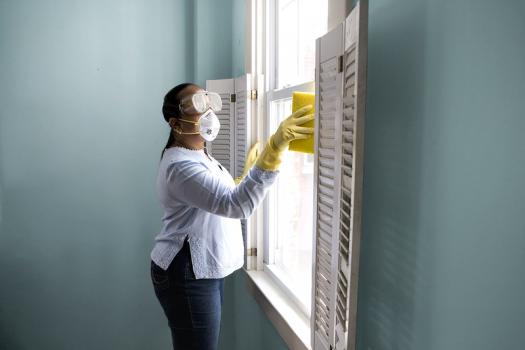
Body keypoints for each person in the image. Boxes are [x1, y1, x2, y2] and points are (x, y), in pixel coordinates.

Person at [150, 82, 314, 350]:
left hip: (198, 268)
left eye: (208, 101)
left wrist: (244, 178)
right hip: (185, 271)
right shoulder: (180, 166)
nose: (208, 112)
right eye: (196, 106)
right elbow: (236, 206)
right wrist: (274, 150)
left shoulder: (198, 154)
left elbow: (214, 196)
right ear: (176, 124)